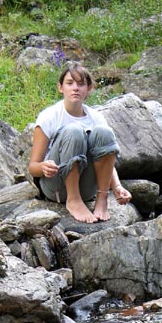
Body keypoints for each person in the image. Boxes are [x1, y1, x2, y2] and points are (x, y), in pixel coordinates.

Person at [29, 62, 132, 223]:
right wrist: (43, 167)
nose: (75, 88)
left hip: (87, 189)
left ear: (89, 88)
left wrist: (117, 187)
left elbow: (105, 157)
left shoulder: (96, 117)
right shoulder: (49, 117)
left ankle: (102, 200)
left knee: (104, 132)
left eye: (81, 84)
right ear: (60, 87)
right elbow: (33, 167)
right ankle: (73, 200)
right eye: (70, 83)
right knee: (73, 130)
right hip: (56, 186)